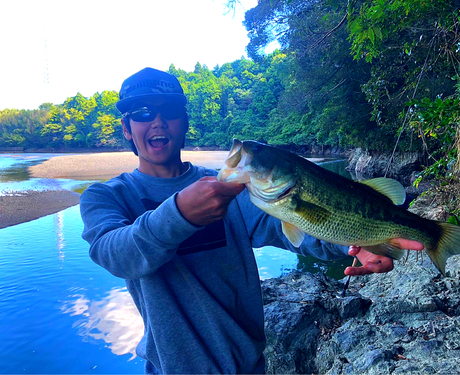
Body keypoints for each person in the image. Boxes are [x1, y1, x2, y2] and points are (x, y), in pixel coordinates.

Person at [80, 67, 423, 374]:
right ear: (126, 128)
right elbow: (115, 254)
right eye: (142, 113)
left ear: (184, 121)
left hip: (248, 367)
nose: (157, 121)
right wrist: (180, 213)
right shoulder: (107, 196)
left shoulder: (233, 189)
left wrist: (356, 243)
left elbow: (292, 229)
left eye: (168, 110)